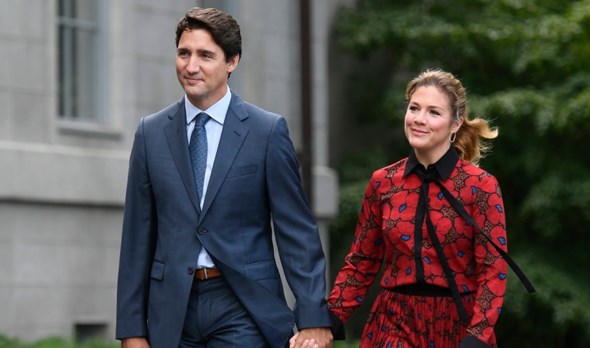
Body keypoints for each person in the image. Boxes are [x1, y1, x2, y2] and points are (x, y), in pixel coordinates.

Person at [115, 7, 333, 348]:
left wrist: (314, 317)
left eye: (205, 55)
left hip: (242, 306)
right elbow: (136, 237)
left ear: (232, 61)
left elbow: (297, 233)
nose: (191, 66)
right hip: (172, 310)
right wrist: (131, 329)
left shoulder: (266, 132)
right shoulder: (150, 133)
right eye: (184, 53)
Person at [294, 69, 509, 348]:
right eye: (414, 108)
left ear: (455, 124)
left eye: (434, 112)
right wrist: (327, 321)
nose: (419, 119)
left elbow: (493, 270)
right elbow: (361, 262)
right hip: (393, 320)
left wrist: (478, 335)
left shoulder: (481, 186)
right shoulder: (383, 182)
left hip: (458, 326)